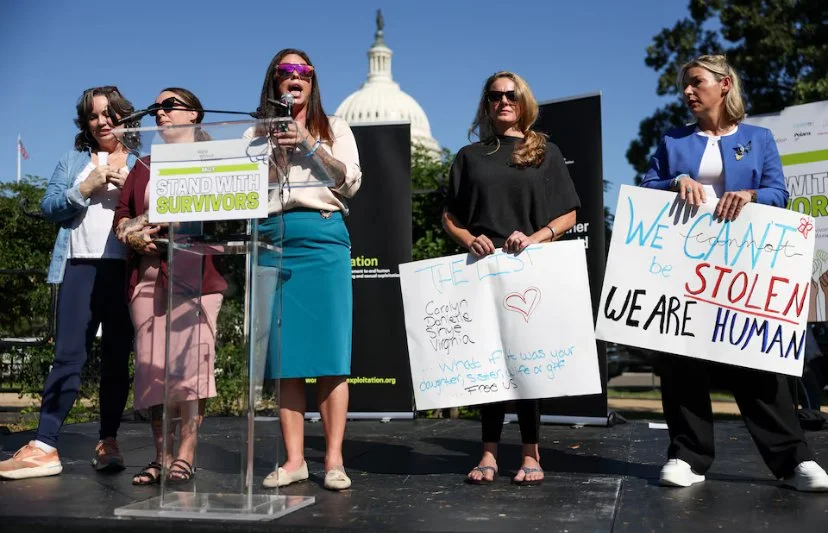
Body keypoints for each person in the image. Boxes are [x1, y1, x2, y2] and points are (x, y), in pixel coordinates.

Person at [641, 54, 828, 492]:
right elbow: (646, 188)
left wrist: (748, 194)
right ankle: (687, 457)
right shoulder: (672, 141)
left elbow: (778, 193)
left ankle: (794, 461)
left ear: (724, 85)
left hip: (745, 273)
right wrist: (674, 182)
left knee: (758, 366)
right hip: (685, 271)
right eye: (684, 85)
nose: (687, 91)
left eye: (695, 82)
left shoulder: (758, 138)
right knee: (681, 359)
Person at [442, 71, 580, 486]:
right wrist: (470, 239)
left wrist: (535, 238)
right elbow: (450, 216)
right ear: (486, 103)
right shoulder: (470, 156)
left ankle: (531, 454)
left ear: (524, 101)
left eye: (511, 95)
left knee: (527, 363)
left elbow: (570, 214)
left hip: (530, 268)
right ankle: (488, 453)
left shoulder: (545, 152)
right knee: (488, 365)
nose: (503, 101)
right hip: (483, 269)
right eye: (495, 95)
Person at [0, 86, 138, 480]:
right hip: (79, 267)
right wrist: (85, 188)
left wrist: (132, 186)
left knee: (116, 358)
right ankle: (45, 445)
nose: (103, 121)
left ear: (125, 116)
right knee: (68, 357)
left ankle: (108, 441)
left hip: (125, 270)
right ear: (86, 122)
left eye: (110, 113)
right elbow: (48, 207)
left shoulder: (143, 161)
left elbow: (157, 211)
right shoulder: (72, 160)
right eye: (94, 115)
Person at [254, 48, 362, 491]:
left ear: (312, 83)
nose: (294, 78)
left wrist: (306, 143)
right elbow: (248, 193)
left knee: (332, 357)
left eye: (303, 72)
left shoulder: (335, 128)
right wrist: (277, 151)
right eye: (286, 72)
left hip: (322, 239)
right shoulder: (252, 135)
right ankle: (295, 460)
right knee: (286, 359)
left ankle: (333, 460)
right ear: (274, 82)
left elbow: (349, 182)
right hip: (273, 241)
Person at [114, 88, 227, 485]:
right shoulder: (143, 165)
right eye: (156, 107)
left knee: (189, 371)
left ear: (194, 115)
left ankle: (186, 453)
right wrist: (133, 233)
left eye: (169, 106)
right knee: (153, 373)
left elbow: (230, 209)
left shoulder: (215, 161)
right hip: (148, 279)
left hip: (194, 275)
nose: (160, 113)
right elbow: (123, 217)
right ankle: (161, 457)